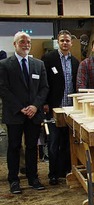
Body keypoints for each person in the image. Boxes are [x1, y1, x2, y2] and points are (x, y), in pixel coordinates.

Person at [0, 32, 49, 193]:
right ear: (15, 44)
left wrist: (35, 106)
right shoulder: (5, 65)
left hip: (34, 114)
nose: (26, 44)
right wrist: (21, 107)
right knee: (14, 146)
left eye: (28, 41)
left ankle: (33, 177)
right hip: (15, 114)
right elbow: (4, 89)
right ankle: (14, 180)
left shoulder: (38, 64)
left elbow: (44, 88)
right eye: (22, 41)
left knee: (32, 147)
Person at [41, 30, 79, 186]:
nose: (65, 43)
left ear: (71, 43)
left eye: (67, 41)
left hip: (70, 109)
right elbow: (43, 83)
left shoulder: (76, 62)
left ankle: (64, 171)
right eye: (62, 40)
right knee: (53, 142)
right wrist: (44, 102)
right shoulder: (48, 59)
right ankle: (53, 174)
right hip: (54, 107)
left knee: (66, 141)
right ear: (58, 42)